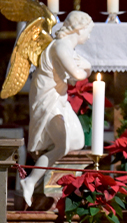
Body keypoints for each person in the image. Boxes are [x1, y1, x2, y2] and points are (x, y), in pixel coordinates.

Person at [20, 11, 93, 207]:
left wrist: (86, 67)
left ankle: (46, 181)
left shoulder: (67, 47)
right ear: (79, 29)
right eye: (89, 31)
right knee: (62, 144)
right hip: (48, 99)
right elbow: (77, 73)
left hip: (59, 98)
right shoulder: (61, 46)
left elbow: (77, 72)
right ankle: (32, 182)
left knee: (76, 140)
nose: (89, 36)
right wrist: (89, 66)